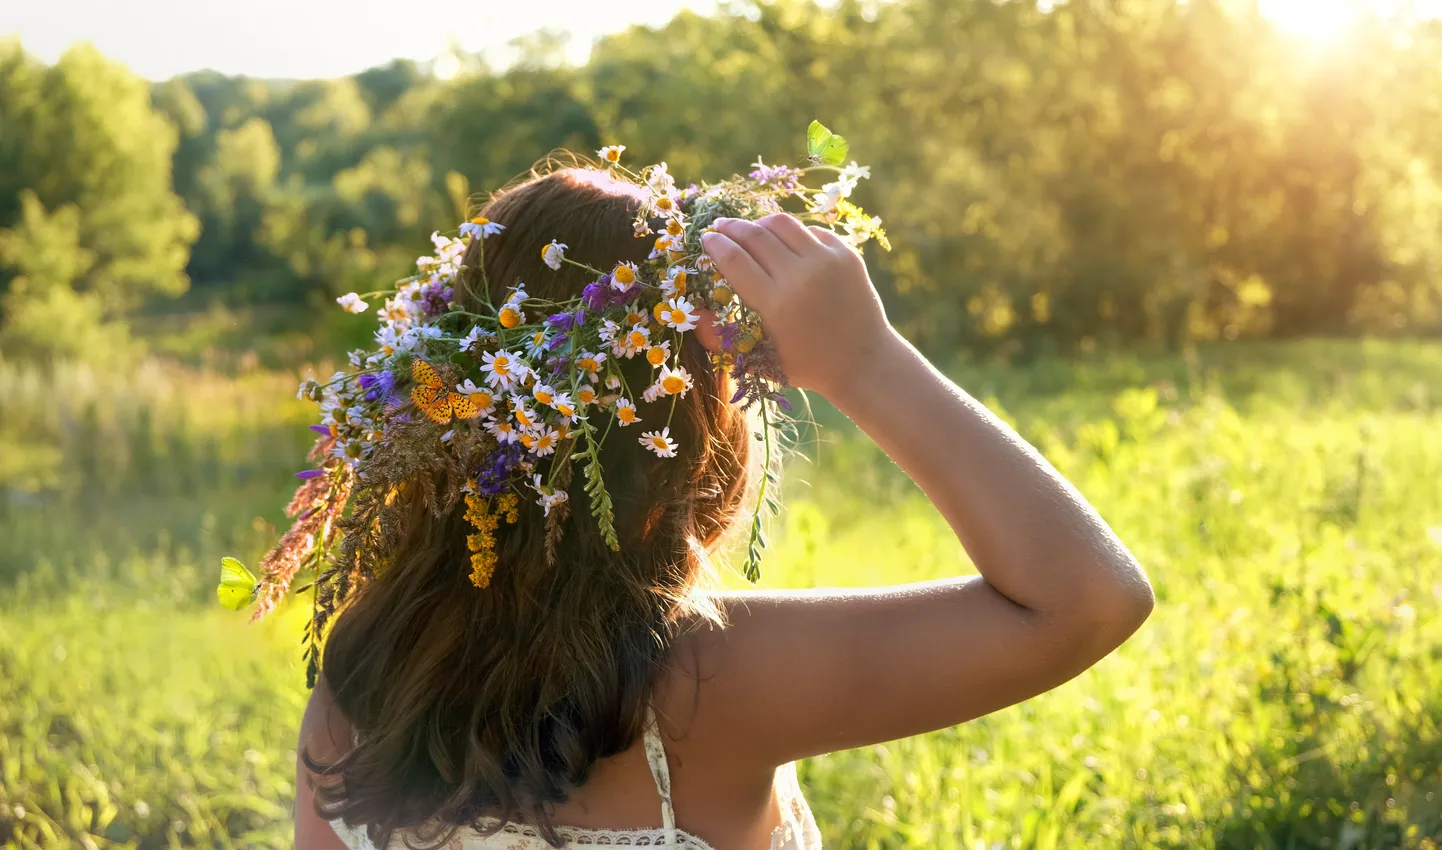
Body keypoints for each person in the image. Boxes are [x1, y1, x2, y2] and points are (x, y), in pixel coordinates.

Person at [295, 165, 1153, 849]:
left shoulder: (358, 682)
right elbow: (1089, 600)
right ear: (691, 417)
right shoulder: (713, 682)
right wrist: (866, 362)